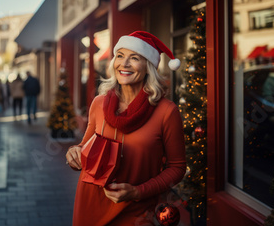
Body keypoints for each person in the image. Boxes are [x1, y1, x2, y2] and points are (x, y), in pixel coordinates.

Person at [65, 31, 186, 225]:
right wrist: (74, 153)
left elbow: (177, 168)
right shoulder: (99, 103)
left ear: (149, 66)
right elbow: (84, 147)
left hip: (137, 212)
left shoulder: (166, 112)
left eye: (135, 58)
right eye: (120, 56)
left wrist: (138, 191)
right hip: (89, 206)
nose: (124, 64)